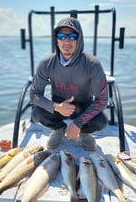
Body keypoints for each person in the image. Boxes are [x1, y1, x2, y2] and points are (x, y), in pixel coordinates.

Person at [30, 16, 108, 151]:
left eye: (72, 36)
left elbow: (102, 100)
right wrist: (56, 106)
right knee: (37, 113)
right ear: (56, 39)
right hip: (59, 108)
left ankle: (84, 133)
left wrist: (78, 123)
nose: (66, 41)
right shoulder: (46, 63)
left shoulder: (92, 64)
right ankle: (59, 129)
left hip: (83, 108)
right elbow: (34, 95)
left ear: (79, 39)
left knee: (101, 121)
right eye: (61, 36)